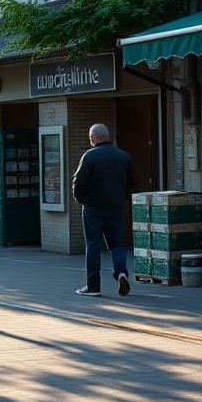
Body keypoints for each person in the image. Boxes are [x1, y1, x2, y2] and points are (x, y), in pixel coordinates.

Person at [71, 123, 136, 297]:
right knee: (117, 243)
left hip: (93, 208)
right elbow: (132, 182)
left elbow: (78, 183)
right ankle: (121, 273)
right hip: (115, 207)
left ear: (93, 137)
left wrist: (81, 199)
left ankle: (93, 287)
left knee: (93, 244)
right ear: (107, 136)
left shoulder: (90, 156)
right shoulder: (123, 156)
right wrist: (120, 197)